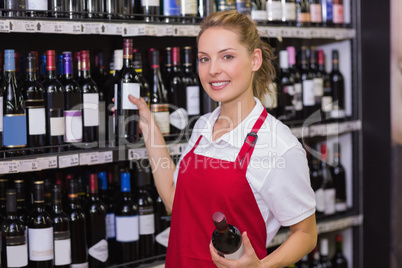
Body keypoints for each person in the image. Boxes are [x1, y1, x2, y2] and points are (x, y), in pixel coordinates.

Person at [128, 10, 317, 268]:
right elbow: (175, 202)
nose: (213, 70)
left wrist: (261, 267)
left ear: (255, 60)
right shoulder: (203, 126)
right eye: (204, 59)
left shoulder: (278, 145)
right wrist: (148, 125)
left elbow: (306, 234)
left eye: (227, 56)